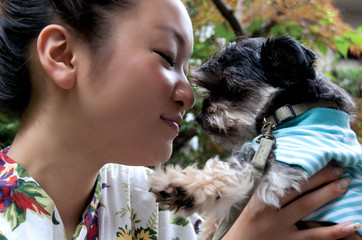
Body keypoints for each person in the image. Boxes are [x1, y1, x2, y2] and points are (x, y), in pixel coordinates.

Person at [0, 0, 360, 239]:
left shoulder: (160, 202)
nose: (188, 95)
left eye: (188, 70)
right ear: (64, 56)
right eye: (166, 57)